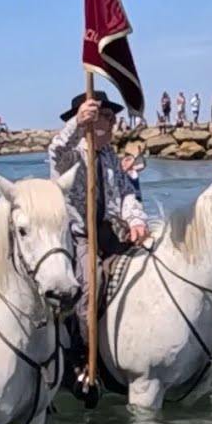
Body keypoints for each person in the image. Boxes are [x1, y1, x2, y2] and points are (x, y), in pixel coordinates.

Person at [48, 92, 148, 401]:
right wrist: (78, 123)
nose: (113, 121)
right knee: (92, 285)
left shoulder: (109, 157)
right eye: (106, 115)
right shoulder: (72, 153)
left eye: (112, 117)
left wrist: (136, 220)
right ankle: (83, 356)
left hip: (111, 233)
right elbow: (56, 150)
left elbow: (127, 194)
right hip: (79, 236)